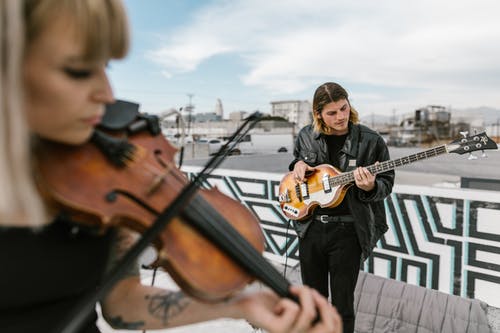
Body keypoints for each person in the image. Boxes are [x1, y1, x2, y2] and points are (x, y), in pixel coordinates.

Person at [0, 1, 343, 332]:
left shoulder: (102, 177)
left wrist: (241, 305)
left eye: (105, 66)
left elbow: (123, 305)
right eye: (78, 70)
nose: (107, 93)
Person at [289, 82, 395, 333]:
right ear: (318, 114)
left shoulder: (371, 140)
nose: (341, 117)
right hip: (311, 229)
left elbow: (386, 184)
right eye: (332, 113)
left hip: (349, 232)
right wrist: (297, 165)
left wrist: (370, 187)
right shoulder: (306, 135)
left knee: (342, 306)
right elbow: (297, 162)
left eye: (344, 108)